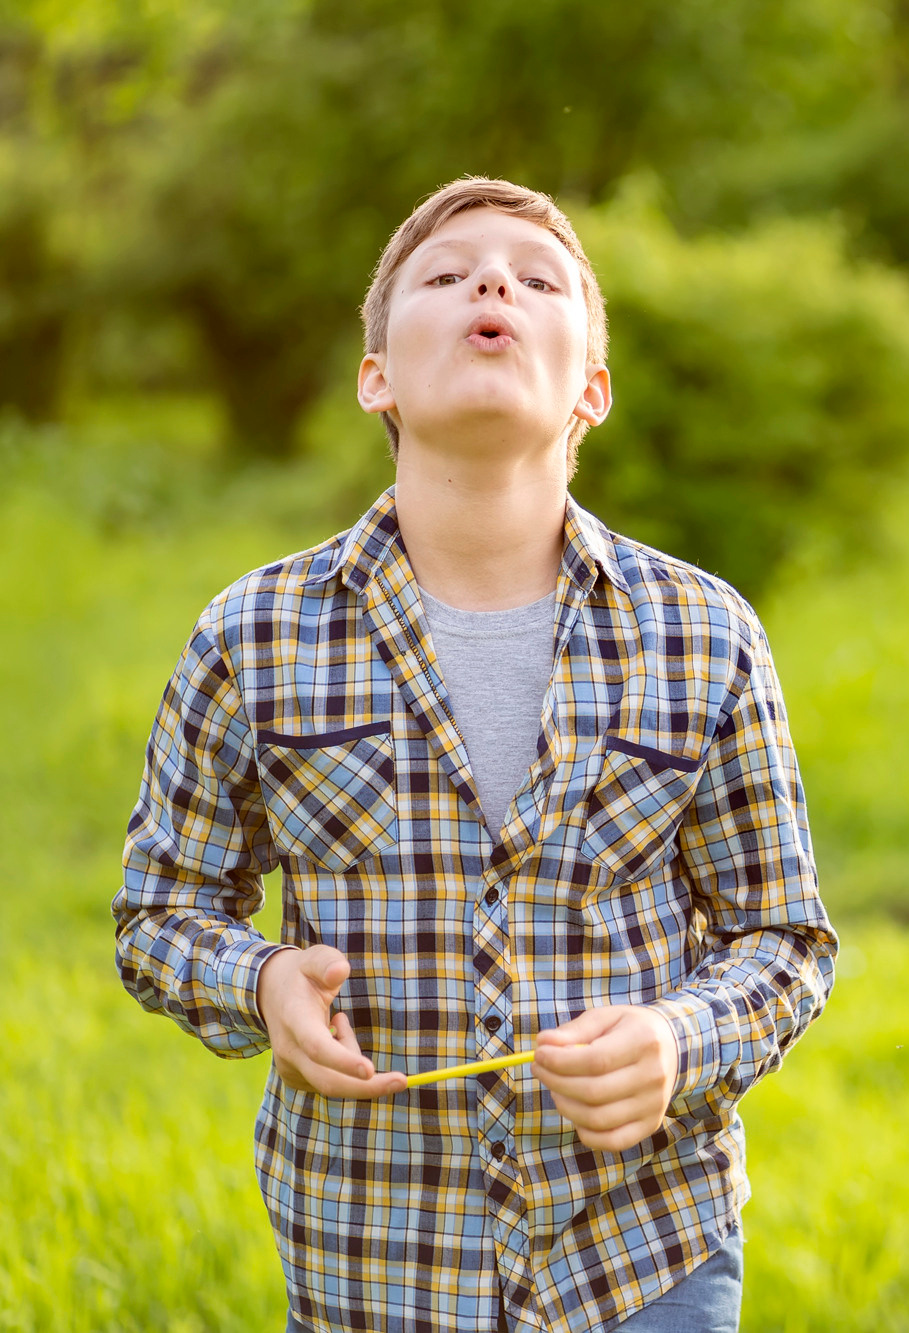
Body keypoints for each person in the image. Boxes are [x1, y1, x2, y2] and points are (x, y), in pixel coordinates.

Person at [112, 177, 836, 1333]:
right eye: (445, 277)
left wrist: (675, 1037)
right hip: (373, 1256)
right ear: (377, 378)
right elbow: (158, 912)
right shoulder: (254, 633)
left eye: (537, 280)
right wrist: (259, 980)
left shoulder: (706, 632)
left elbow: (784, 940)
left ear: (591, 388)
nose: (492, 283)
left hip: (646, 1253)